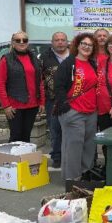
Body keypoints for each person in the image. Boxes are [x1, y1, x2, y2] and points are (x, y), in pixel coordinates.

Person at [53, 33, 98, 181]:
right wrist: (66, 107)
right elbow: (58, 87)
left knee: (89, 146)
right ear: (77, 45)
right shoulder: (68, 63)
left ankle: (85, 175)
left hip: (91, 112)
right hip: (73, 111)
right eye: (83, 44)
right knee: (73, 147)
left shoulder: (92, 64)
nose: (86, 47)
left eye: (90, 45)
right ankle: (72, 180)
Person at [0, 31, 44, 143]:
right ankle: (12, 160)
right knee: (15, 136)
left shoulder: (34, 59)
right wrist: (6, 106)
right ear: (13, 43)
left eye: (25, 40)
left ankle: (24, 160)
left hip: (33, 105)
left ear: (28, 43)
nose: (22, 42)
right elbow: (0, 84)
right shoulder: (6, 60)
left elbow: (40, 82)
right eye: (18, 40)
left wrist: (42, 102)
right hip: (14, 106)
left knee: (26, 136)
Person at [40, 31, 70, 168]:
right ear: (52, 42)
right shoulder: (45, 57)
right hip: (52, 100)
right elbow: (39, 80)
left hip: (72, 99)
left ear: (67, 42)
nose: (60, 42)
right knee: (55, 129)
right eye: (57, 40)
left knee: (71, 129)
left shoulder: (74, 56)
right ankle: (57, 157)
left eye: (63, 40)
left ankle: (70, 156)